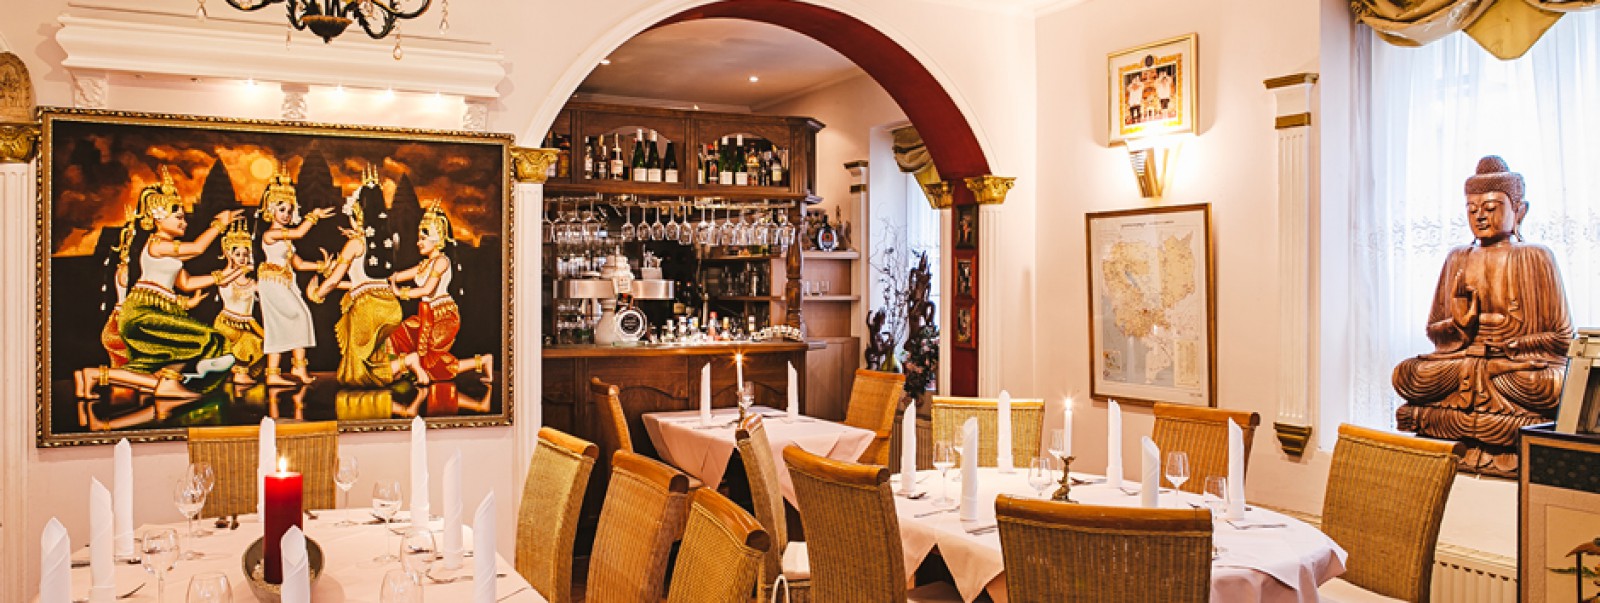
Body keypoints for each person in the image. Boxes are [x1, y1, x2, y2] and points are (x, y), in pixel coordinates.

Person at [1393, 156, 1573, 476]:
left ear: (1519, 211)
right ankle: (1512, 429)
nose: (1480, 216)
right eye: (1472, 209)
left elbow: (1562, 337)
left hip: (1514, 367)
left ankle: (1444, 422)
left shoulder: (1536, 257)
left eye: (1490, 208)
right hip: (1464, 361)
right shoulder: (1458, 257)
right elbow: (1434, 331)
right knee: (1407, 374)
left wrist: (1514, 347)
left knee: (1554, 386)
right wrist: (1458, 325)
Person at [80, 168, 242, 399]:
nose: (184, 222)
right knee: (204, 339)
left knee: (160, 369)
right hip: (143, 314)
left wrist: (228, 274)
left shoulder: (170, 254)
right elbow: (196, 248)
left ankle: (94, 375)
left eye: (184, 217)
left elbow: (186, 283)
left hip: (156, 312)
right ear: (158, 219)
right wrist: (218, 224)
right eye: (178, 217)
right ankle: (167, 383)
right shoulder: (157, 245)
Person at [308, 169, 405, 387]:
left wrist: (317, 294)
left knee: (355, 374)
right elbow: (360, 283)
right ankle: (403, 366)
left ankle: (407, 363)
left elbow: (334, 280)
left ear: (357, 215)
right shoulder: (386, 242)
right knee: (370, 361)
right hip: (390, 306)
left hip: (367, 308)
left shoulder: (354, 244)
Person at [386, 201, 492, 385]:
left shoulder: (442, 261)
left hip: (444, 316)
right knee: (399, 334)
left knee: (433, 364)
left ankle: (483, 361)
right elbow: (396, 276)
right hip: (426, 316)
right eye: (419, 238)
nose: (418, 243)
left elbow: (427, 289)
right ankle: (401, 370)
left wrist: (399, 292)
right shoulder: (423, 265)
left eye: (423, 238)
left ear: (436, 239)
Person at [255, 171, 335, 387]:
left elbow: (298, 264)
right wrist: (314, 215)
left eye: (290, 211)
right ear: (271, 210)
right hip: (273, 282)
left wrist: (321, 266)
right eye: (282, 210)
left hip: (285, 282)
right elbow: (299, 233)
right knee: (294, 318)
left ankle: (294, 368)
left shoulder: (286, 240)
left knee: (298, 318)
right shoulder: (270, 234)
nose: (286, 215)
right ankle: (281, 371)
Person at [212, 218, 264, 386]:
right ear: (229, 255)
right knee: (248, 340)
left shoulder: (252, 282)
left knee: (262, 340)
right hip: (228, 323)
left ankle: (239, 372)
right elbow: (223, 281)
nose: (242, 258)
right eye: (237, 254)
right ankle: (238, 373)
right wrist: (238, 268)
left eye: (245, 254)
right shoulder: (225, 275)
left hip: (248, 323)